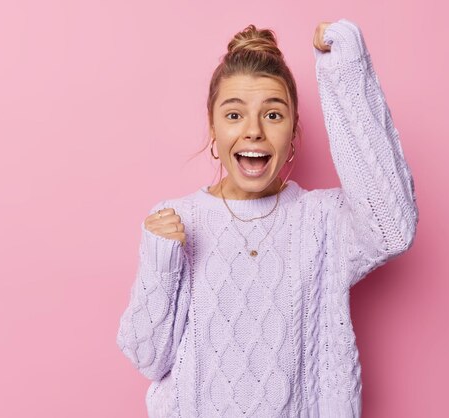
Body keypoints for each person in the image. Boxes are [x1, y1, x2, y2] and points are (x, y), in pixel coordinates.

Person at [116, 17, 419, 418]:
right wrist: (160, 263)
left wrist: (344, 74)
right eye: (234, 115)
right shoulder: (176, 221)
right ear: (213, 125)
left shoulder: (322, 221)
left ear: (294, 130)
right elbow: (148, 358)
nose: (254, 131)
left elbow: (392, 229)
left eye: (273, 115)